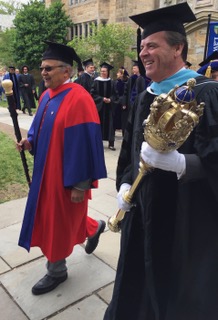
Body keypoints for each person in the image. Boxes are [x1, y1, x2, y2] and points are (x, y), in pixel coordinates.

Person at [104, 2, 218, 320]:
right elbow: (129, 150)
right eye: (142, 46)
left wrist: (184, 165)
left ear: (178, 47)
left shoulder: (207, 94)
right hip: (141, 219)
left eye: (152, 45)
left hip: (187, 227)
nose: (143, 53)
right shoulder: (145, 96)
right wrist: (126, 182)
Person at [17, 41, 107, 295]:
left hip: (66, 177)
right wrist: (29, 141)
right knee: (54, 217)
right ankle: (94, 227)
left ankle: (57, 271)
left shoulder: (79, 99)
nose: (43, 72)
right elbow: (41, 130)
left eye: (49, 68)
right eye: (42, 68)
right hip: (45, 172)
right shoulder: (46, 95)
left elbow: (85, 146)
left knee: (57, 222)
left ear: (66, 72)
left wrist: (81, 184)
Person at [91, 62, 119, 151]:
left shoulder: (112, 82)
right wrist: (101, 99)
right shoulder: (96, 82)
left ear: (108, 72)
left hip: (109, 107)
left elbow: (116, 94)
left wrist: (110, 100)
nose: (102, 73)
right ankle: (98, 143)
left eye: (104, 71)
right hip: (99, 107)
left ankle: (111, 144)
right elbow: (92, 94)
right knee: (98, 125)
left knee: (110, 125)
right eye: (101, 71)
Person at [122, 60, 150, 133]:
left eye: (135, 68)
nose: (133, 70)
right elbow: (129, 92)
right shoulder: (133, 79)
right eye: (133, 68)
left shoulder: (149, 78)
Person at [114, 67, 129, 136]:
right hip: (117, 101)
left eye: (118, 73)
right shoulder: (117, 82)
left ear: (122, 74)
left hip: (122, 101)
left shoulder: (125, 82)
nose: (117, 74)